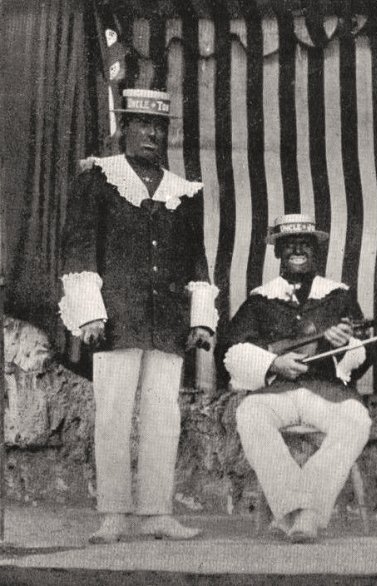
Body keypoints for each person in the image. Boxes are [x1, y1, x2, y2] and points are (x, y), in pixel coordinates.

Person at [59, 89, 218, 543]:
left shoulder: (183, 192)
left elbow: (196, 259)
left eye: (160, 127)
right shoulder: (99, 180)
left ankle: (156, 513)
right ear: (124, 128)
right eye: (143, 125)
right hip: (117, 318)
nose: (152, 134)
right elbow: (79, 246)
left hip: (167, 321)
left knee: (162, 416)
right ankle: (113, 514)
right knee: (112, 413)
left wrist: (201, 317)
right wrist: (89, 310)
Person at [221, 214, 371, 543]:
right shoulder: (260, 299)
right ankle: (298, 510)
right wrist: (274, 363)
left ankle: (301, 512)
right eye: (290, 245)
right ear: (278, 253)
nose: (298, 250)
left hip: (326, 392)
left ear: (316, 251)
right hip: (278, 393)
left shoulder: (339, 295)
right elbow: (230, 352)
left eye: (306, 243)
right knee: (249, 413)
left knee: (357, 419)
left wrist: (344, 344)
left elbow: (361, 359)